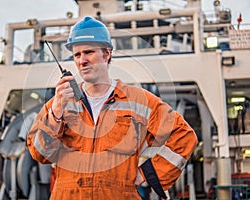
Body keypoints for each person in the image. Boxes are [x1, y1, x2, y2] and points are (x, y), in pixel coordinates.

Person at [27, 16, 198, 200]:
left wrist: (149, 174)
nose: (82, 60)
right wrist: (56, 113)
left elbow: (184, 136)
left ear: (107, 53)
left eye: (89, 52)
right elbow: (39, 154)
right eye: (77, 55)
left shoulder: (139, 101)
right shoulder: (60, 103)